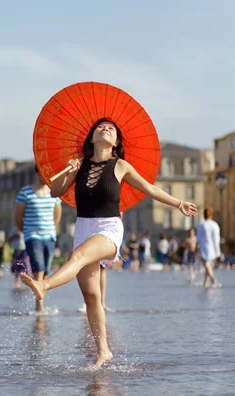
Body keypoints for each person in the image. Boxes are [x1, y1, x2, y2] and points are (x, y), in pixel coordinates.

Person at [20, 118, 197, 367]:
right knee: (91, 296)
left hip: (109, 228)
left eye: (111, 129)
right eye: (100, 127)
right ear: (91, 138)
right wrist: (70, 171)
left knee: (77, 257)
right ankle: (104, 351)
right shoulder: (79, 165)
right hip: (83, 227)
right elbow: (55, 192)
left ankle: (44, 285)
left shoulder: (121, 165)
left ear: (115, 143)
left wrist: (178, 203)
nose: (105, 129)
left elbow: (149, 188)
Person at [14, 166, 62, 311]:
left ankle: (39, 294)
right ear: (37, 173)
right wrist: (26, 231)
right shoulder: (25, 192)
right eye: (43, 173)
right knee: (39, 266)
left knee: (45, 269)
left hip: (49, 236)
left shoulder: (54, 193)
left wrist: (51, 229)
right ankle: (39, 304)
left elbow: (57, 215)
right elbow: (17, 217)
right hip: (32, 236)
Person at [196, 207, 220, 288]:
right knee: (208, 265)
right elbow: (217, 239)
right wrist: (218, 251)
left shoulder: (202, 225)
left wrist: (196, 249)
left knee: (206, 264)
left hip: (204, 248)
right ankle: (205, 283)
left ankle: (213, 280)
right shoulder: (215, 225)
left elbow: (198, 239)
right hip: (213, 248)